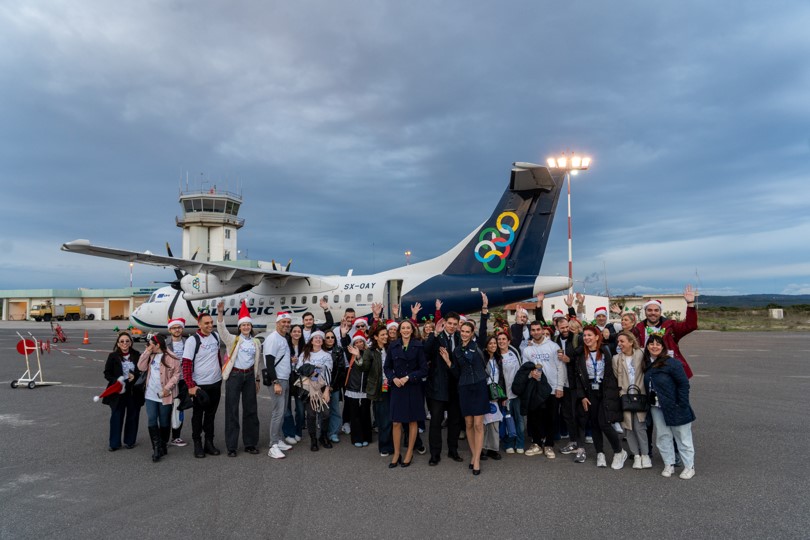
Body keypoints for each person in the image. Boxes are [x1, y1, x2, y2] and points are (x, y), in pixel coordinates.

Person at [643, 333, 697, 479]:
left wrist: (682, 403)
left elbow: (683, 384)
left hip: (676, 405)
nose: (654, 346)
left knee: (682, 436)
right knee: (663, 436)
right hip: (656, 407)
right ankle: (669, 464)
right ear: (647, 347)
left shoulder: (672, 363)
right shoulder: (647, 364)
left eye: (658, 344)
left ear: (663, 347)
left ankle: (689, 466)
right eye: (651, 344)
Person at [572, 325, 626, 468]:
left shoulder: (606, 351)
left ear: (597, 337)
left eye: (590, 335)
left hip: (605, 390)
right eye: (584, 336)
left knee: (604, 423)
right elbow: (577, 377)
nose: (586, 338)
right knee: (594, 423)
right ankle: (600, 453)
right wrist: (582, 396)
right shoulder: (580, 355)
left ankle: (619, 451)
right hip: (589, 391)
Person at [441, 316, 490, 476]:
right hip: (464, 388)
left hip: (479, 386)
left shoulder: (478, 345)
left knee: (478, 424)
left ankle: (476, 459)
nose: (464, 334)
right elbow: (457, 373)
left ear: (472, 332)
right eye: (462, 331)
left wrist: (484, 311)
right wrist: (448, 362)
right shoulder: (456, 351)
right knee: (468, 424)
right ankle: (475, 454)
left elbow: (483, 330)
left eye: (467, 331)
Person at [217, 300, 262, 457]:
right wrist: (221, 314)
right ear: (239, 327)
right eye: (243, 325)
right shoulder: (233, 340)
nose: (246, 327)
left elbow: (257, 362)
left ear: (250, 327)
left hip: (249, 376)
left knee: (251, 410)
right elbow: (222, 331)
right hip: (235, 376)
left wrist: (257, 379)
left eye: (248, 325)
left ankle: (250, 443)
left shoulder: (256, 342)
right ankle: (232, 446)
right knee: (232, 411)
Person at [384, 319, 428, 468]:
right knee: (396, 422)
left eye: (408, 328)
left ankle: (409, 451)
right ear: (399, 330)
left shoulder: (418, 346)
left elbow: (424, 369)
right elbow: (387, 367)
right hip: (397, 387)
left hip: (413, 387)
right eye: (403, 328)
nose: (406, 330)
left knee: (412, 421)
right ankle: (397, 453)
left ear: (412, 330)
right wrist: (393, 378)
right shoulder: (393, 346)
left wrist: (408, 377)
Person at [424, 309, 465, 466]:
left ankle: (453, 450)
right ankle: (435, 454)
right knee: (435, 422)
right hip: (437, 387)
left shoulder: (461, 338)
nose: (452, 326)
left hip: (455, 387)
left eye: (455, 324)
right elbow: (426, 352)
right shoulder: (436, 336)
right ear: (445, 323)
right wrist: (435, 333)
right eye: (450, 323)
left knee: (454, 421)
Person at [182, 313, 224, 458]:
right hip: (200, 386)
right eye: (206, 323)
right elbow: (186, 365)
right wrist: (190, 386)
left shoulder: (216, 337)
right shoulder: (192, 341)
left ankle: (209, 443)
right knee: (198, 416)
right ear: (199, 324)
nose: (210, 325)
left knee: (211, 416)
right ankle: (197, 444)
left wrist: (221, 374)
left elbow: (217, 356)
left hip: (216, 382)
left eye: (211, 322)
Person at [634, 285, 698, 378]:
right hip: (646, 369)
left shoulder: (671, 326)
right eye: (650, 310)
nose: (653, 313)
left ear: (660, 312)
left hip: (669, 370)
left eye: (656, 310)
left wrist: (690, 303)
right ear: (645, 311)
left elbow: (690, 326)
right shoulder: (638, 328)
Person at [521, 321, 564, 459]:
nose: (535, 332)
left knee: (551, 418)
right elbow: (524, 369)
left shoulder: (553, 346)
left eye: (538, 329)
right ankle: (536, 444)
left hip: (551, 388)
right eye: (533, 330)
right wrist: (530, 374)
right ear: (530, 332)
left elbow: (560, 367)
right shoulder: (527, 350)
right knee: (534, 417)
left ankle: (549, 445)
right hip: (535, 389)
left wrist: (560, 387)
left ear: (542, 330)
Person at [137, 334, 180, 462]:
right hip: (150, 394)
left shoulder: (172, 357)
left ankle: (163, 444)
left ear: (158, 345)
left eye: (151, 344)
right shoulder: (150, 355)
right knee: (151, 420)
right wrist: (147, 352)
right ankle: (156, 448)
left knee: (164, 422)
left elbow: (177, 374)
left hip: (165, 395)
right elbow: (140, 367)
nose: (149, 347)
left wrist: (167, 388)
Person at [613, 330, 651, 469]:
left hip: (640, 395)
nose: (619, 344)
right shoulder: (616, 358)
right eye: (618, 341)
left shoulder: (641, 353)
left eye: (622, 341)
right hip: (625, 397)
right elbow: (617, 377)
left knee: (640, 426)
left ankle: (645, 455)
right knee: (628, 428)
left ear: (630, 342)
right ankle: (636, 455)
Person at [102, 332, 143, 451]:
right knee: (116, 416)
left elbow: (142, 370)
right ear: (118, 344)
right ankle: (114, 443)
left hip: (133, 391)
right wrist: (117, 381)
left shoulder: (137, 355)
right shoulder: (113, 356)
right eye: (122, 341)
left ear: (131, 343)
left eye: (127, 341)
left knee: (133, 415)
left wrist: (134, 376)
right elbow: (107, 373)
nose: (125, 343)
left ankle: (130, 441)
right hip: (117, 391)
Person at [357, 325, 393, 457]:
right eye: (382, 334)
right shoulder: (370, 351)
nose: (385, 336)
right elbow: (364, 368)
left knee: (393, 418)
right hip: (379, 388)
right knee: (383, 419)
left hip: (393, 385)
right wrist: (358, 358)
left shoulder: (392, 348)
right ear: (376, 337)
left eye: (386, 334)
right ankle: (385, 446)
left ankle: (393, 443)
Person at [296, 331, 334, 451]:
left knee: (326, 414)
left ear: (322, 342)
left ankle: (323, 436)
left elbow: (328, 372)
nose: (318, 340)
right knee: (311, 415)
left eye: (320, 338)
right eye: (315, 338)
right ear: (311, 341)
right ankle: (313, 439)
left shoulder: (327, 355)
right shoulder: (304, 354)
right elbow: (298, 369)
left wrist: (327, 390)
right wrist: (315, 370)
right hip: (308, 389)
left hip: (322, 388)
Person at [263, 311, 293, 459]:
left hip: (284, 379)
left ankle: (278, 439)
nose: (286, 324)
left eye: (288, 322)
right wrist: (275, 382)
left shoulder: (283, 338)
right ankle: (273, 445)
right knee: (277, 412)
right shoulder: (273, 338)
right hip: (278, 381)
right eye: (283, 322)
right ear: (277, 323)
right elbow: (269, 362)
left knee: (282, 412)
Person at [555, 316, 582, 457]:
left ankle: (580, 444)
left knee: (577, 414)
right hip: (562, 383)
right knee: (567, 414)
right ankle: (573, 441)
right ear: (557, 328)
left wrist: (569, 359)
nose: (565, 330)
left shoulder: (577, 338)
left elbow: (582, 355)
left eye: (567, 327)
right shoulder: (555, 341)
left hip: (576, 383)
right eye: (562, 328)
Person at [497, 331, 524, 454]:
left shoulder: (514, 353)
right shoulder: (496, 357)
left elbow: (520, 373)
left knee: (519, 419)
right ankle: (508, 443)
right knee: (507, 419)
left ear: (508, 341)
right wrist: (501, 396)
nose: (501, 341)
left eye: (504, 339)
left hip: (516, 393)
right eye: (499, 339)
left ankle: (520, 443)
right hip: (504, 395)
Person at [344, 331, 372, 447]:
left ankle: (366, 437)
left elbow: (366, 367)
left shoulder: (369, 353)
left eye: (361, 341)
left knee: (365, 414)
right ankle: (357, 438)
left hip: (366, 388)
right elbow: (344, 343)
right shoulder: (350, 354)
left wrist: (359, 355)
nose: (359, 344)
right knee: (355, 415)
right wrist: (344, 334)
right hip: (353, 389)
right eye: (357, 342)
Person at [481, 335, 506, 461]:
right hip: (483, 394)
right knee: (483, 424)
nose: (493, 345)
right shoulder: (482, 358)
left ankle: (493, 449)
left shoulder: (498, 358)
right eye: (490, 343)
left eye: (494, 343)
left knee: (494, 423)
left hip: (495, 395)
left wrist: (502, 395)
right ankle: (480, 449)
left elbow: (502, 377)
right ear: (486, 346)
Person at [167, 318, 189, 447]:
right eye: (174, 328)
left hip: (183, 381)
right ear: (170, 329)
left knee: (179, 408)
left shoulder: (188, 343)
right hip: (169, 381)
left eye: (179, 327)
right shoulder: (165, 344)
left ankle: (176, 436)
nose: (177, 330)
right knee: (166, 409)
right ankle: (164, 435)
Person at [282, 324, 306, 443]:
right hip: (287, 378)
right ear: (290, 333)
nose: (297, 333)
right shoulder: (285, 345)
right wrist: (289, 360)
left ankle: (298, 431)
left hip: (300, 381)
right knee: (286, 409)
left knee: (301, 410)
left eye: (299, 331)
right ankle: (288, 432)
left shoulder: (305, 347)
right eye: (294, 331)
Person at [323, 329, 345, 444]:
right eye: (327, 337)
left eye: (332, 337)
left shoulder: (338, 350)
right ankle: (324, 432)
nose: (330, 339)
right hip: (321, 386)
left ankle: (334, 432)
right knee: (323, 411)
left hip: (334, 386)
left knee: (335, 410)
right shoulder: (319, 350)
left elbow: (340, 370)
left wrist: (331, 386)